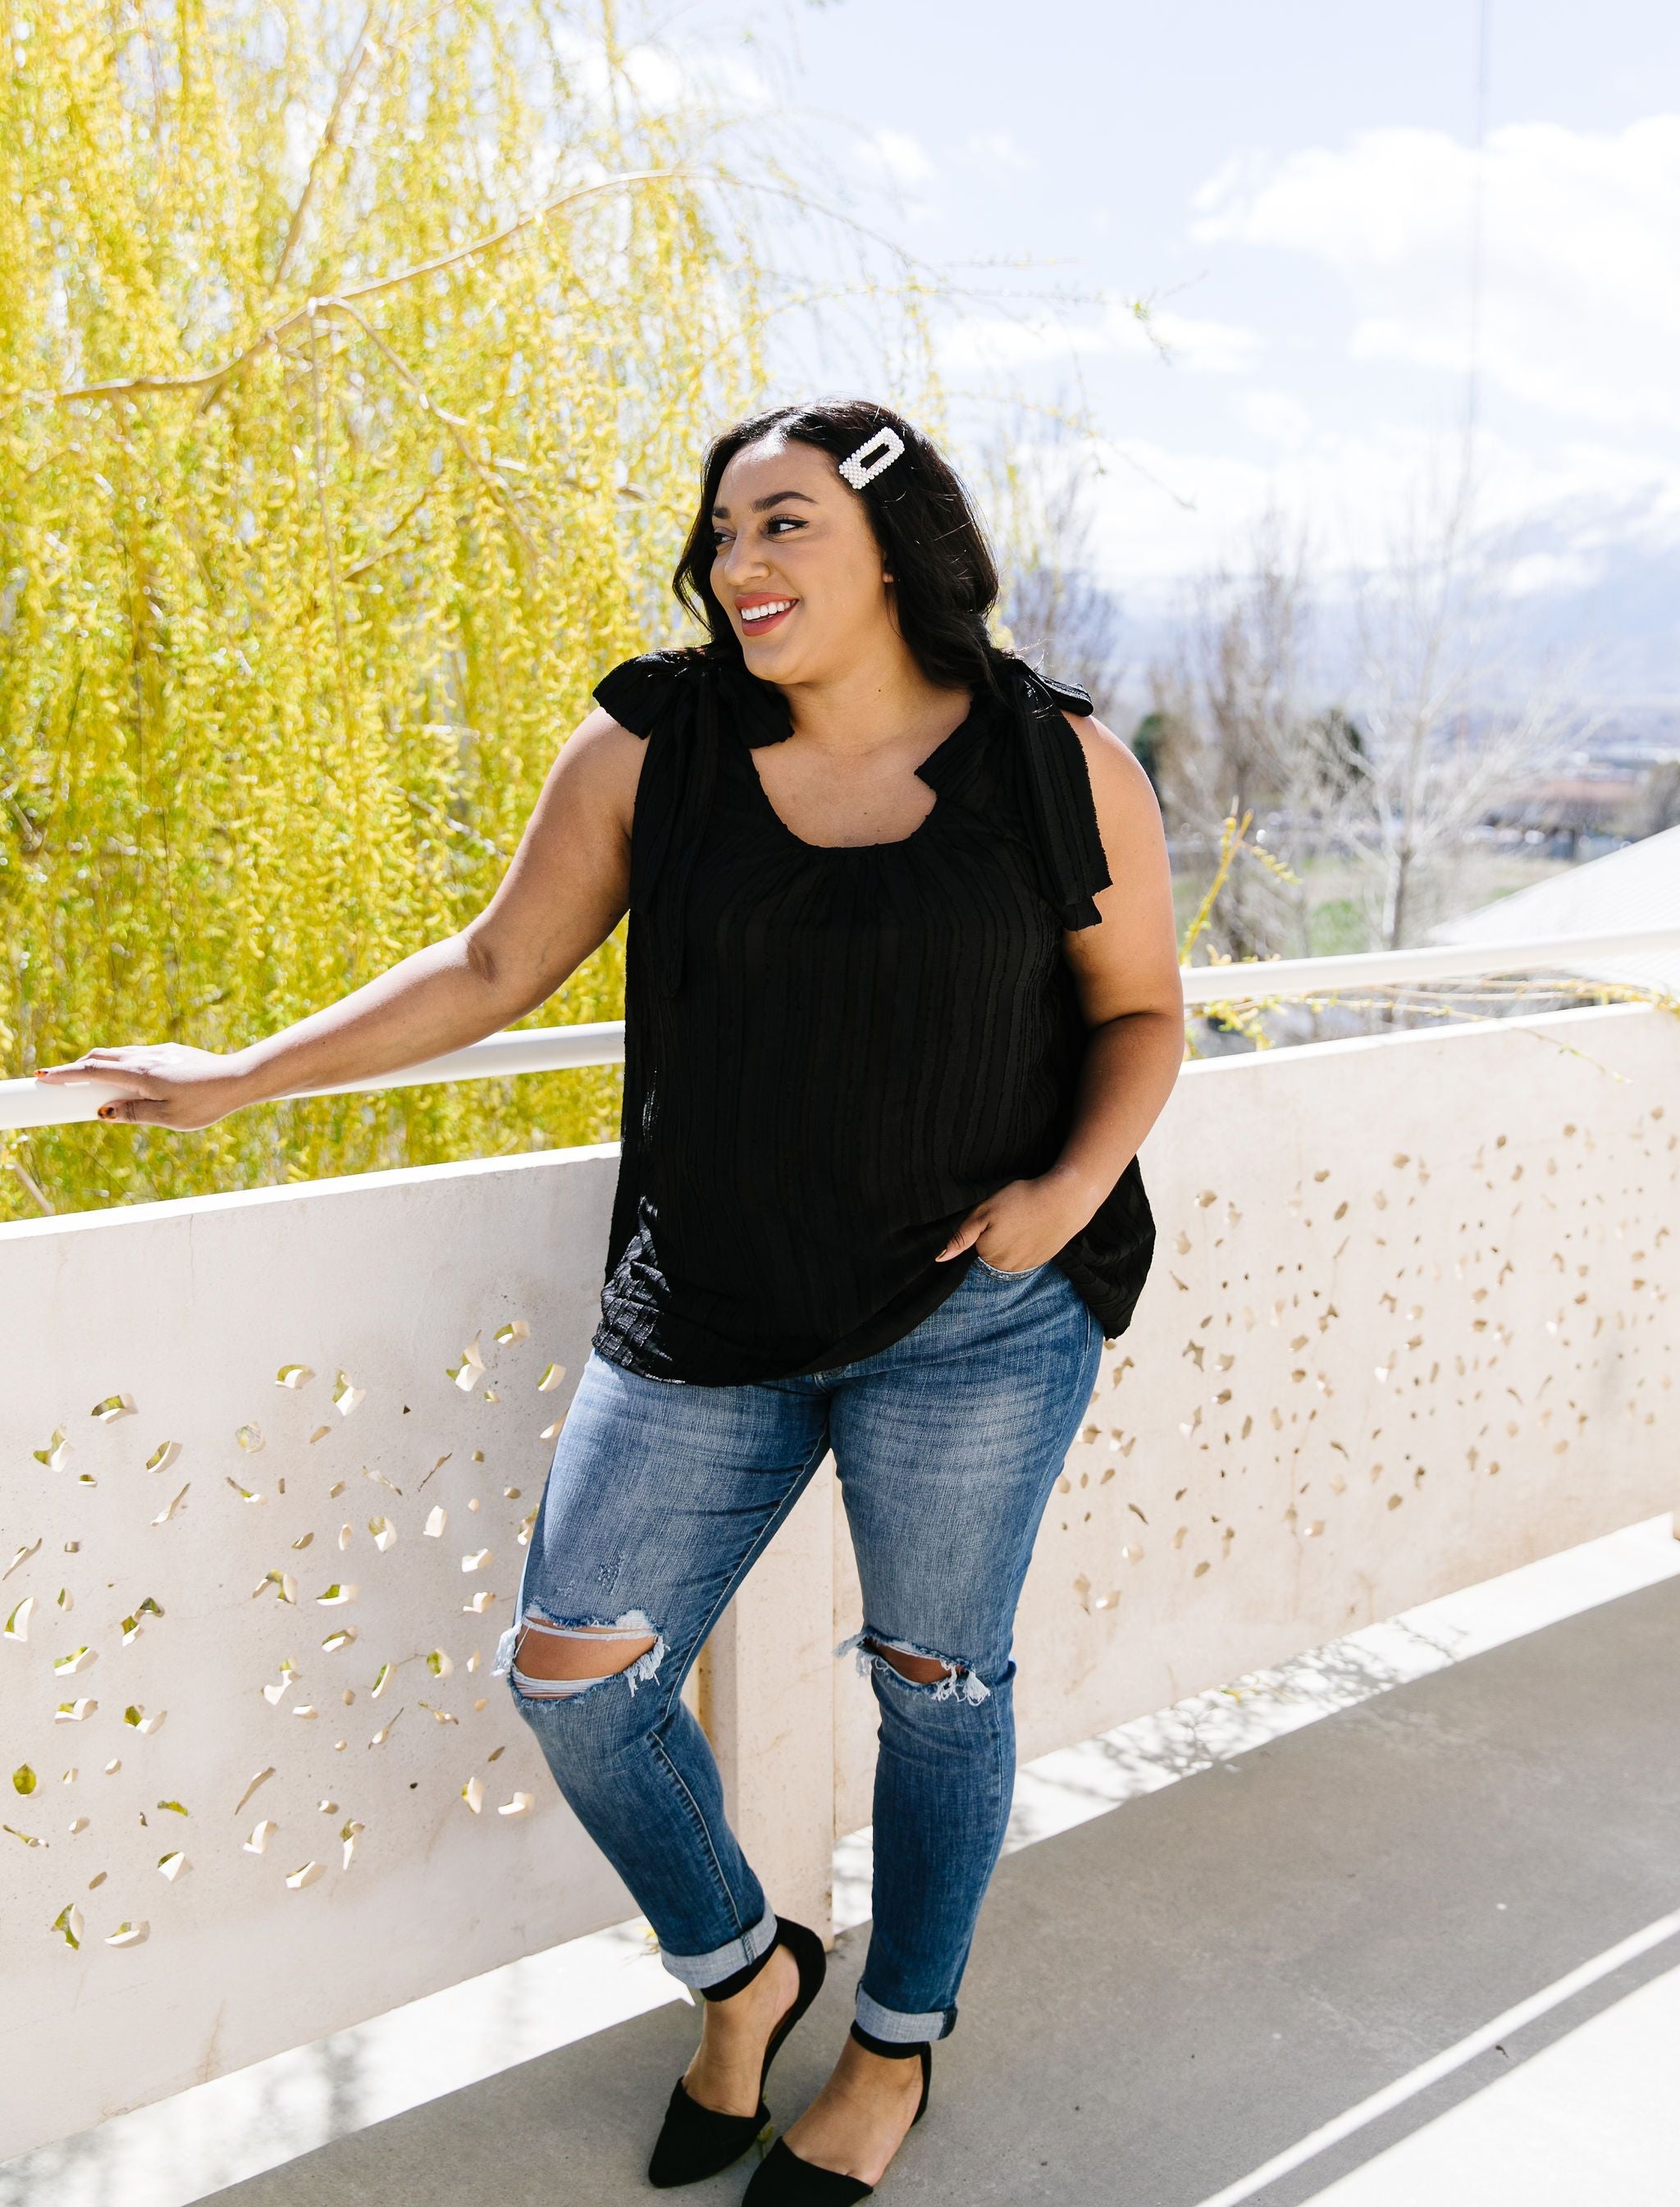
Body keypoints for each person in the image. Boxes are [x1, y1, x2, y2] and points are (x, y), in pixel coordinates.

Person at [39, 400, 1184, 2201]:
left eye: (785, 523)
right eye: (724, 530)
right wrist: (245, 1073)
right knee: (577, 1678)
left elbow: (1139, 1015)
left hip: (977, 1319)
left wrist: (1063, 1192)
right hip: (707, 1315)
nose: (739, 563)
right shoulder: (657, 742)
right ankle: (744, 1970)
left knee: (938, 1688)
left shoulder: (1055, 761)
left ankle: (894, 2048)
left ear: (893, 548)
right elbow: (500, 963)